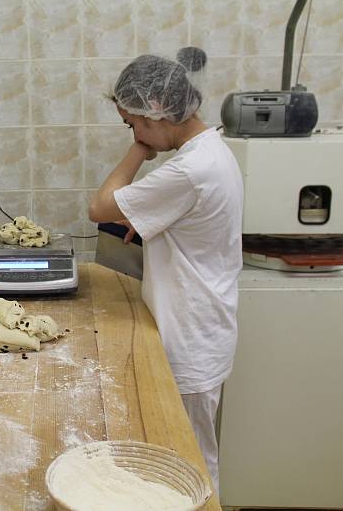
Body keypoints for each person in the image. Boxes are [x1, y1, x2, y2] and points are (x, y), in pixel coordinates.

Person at [88, 47, 243, 493]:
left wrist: (137, 149)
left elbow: (99, 208)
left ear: (155, 110)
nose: (134, 131)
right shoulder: (211, 150)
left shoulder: (191, 169)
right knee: (187, 454)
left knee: (187, 462)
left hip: (190, 335)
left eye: (132, 122)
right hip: (201, 328)